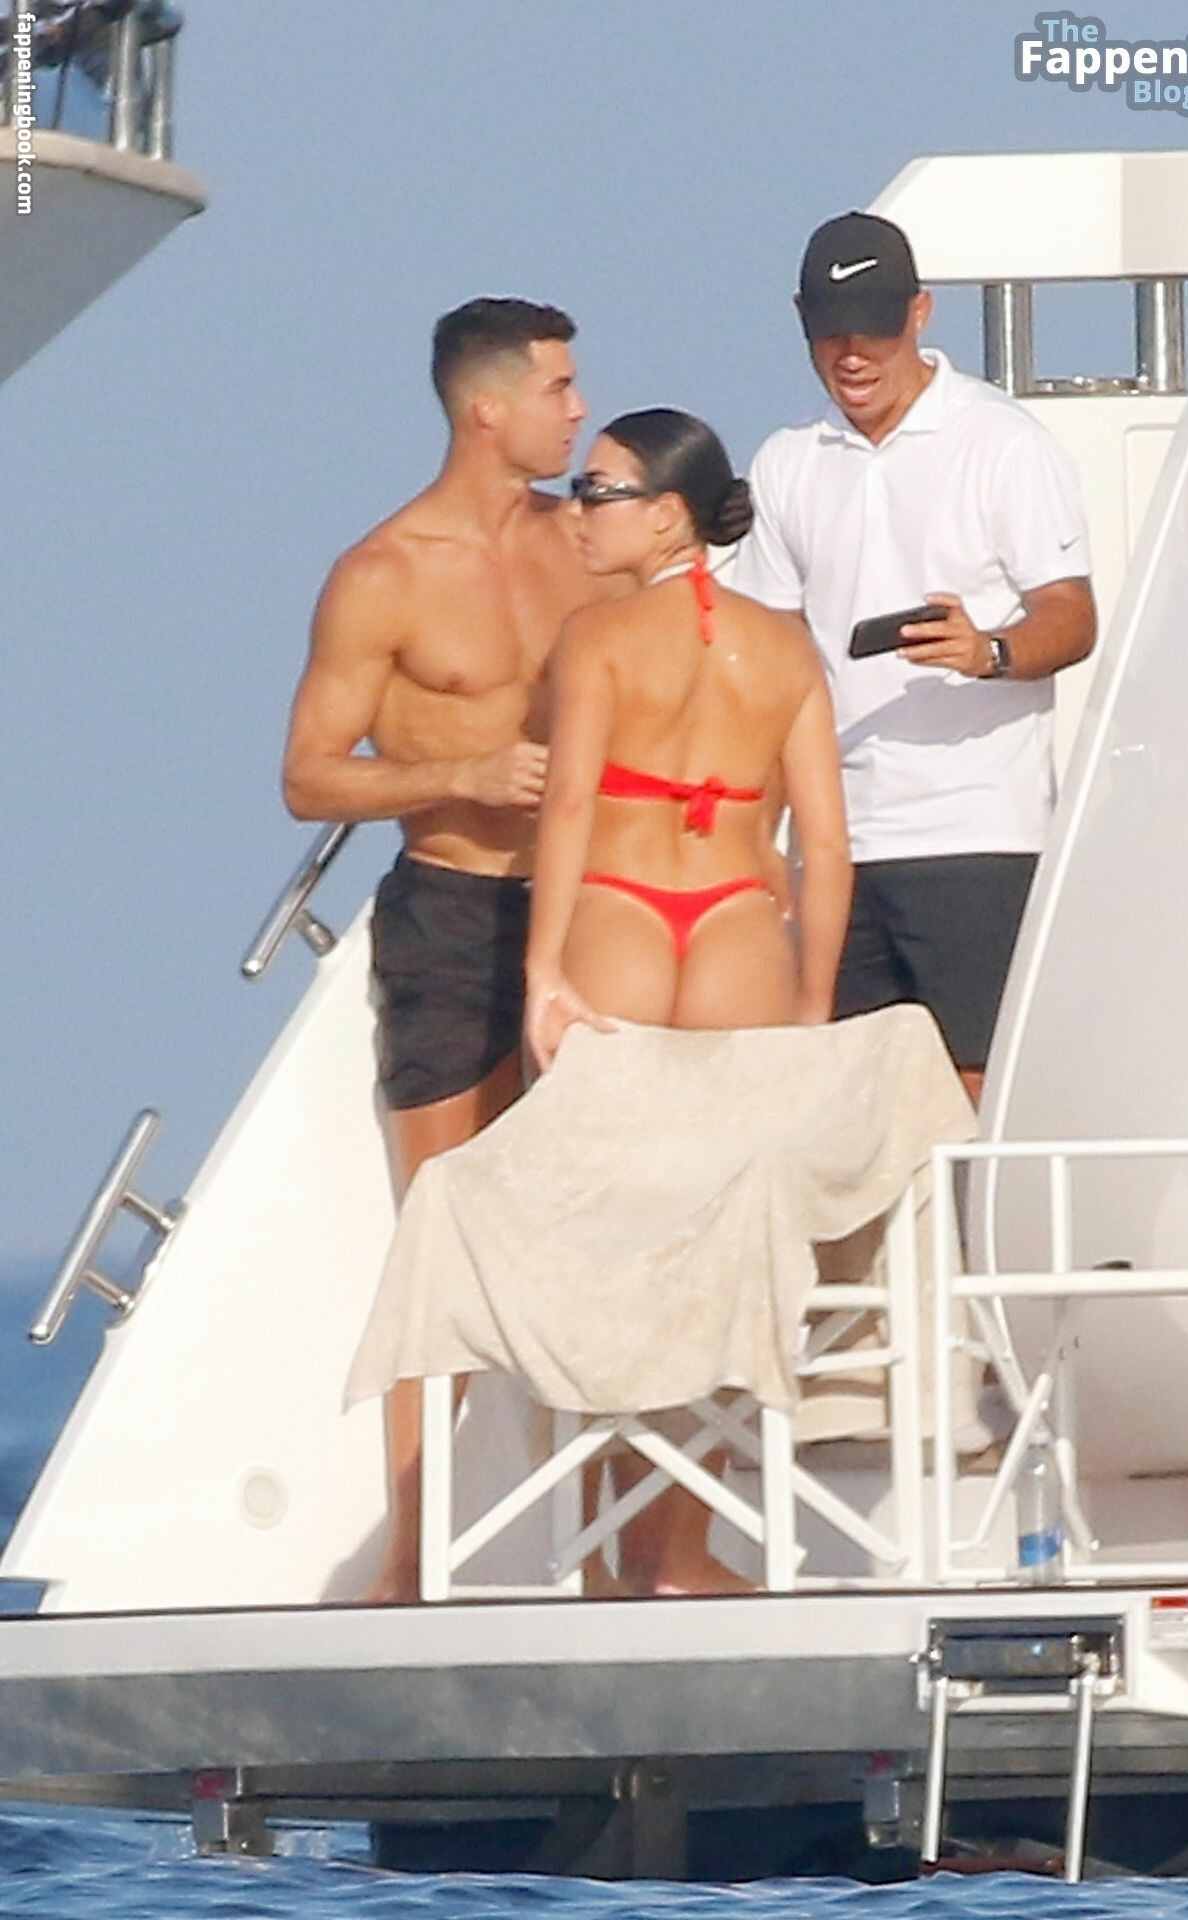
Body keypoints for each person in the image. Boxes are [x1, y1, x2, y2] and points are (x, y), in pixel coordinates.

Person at [282, 296, 609, 1603]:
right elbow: (309, 774)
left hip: (593, 913)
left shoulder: (584, 541)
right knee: (442, 1242)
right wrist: (461, 770)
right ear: (489, 408)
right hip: (454, 914)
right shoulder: (383, 573)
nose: (577, 411)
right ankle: (411, 1567)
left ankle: (612, 1554)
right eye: (558, 389)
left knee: (600, 1227)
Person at [524, 408, 851, 1593]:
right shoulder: (784, 646)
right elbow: (825, 845)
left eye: (597, 490)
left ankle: (604, 1553)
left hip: (618, 908)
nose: (576, 510)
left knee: (606, 1244)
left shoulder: (596, 637)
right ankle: (681, 1551)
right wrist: (812, 1004)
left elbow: (568, 807)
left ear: (667, 513)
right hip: (737, 926)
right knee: (717, 1246)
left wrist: (540, 970)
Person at [733, 212, 1097, 1103]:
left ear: (921, 313)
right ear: (802, 322)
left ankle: (979, 1207)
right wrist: (757, 839)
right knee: (849, 1090)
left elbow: (1072, 616)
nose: (854, 353)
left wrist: (989, 650)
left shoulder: (1003, 442)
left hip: (980, 831)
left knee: (977, 1080)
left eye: (876, 327)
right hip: (838, 840)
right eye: (832, 331)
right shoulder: (786, 460)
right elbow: (771, 667)